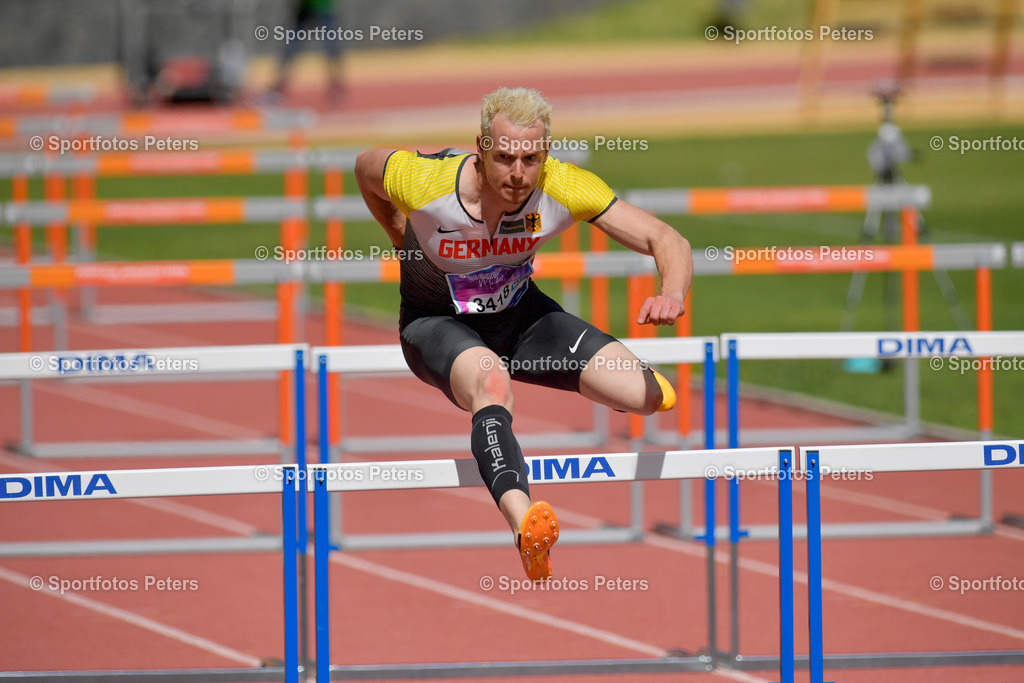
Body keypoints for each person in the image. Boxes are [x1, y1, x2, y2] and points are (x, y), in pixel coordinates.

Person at [354, 87, 692, 582]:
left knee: (647, 395)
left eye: (530, 159)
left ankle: (585, 391)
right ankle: (525, 525)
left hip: (520, 318)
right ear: (481, 147)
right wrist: (396, 226)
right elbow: (365, 166)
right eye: (505, 157)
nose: (517, 174)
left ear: (546, 154)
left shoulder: (565, 185)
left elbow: (668, 239)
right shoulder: (424, 181)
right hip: (437, 322)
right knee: (491, 382)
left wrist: (673, 292)